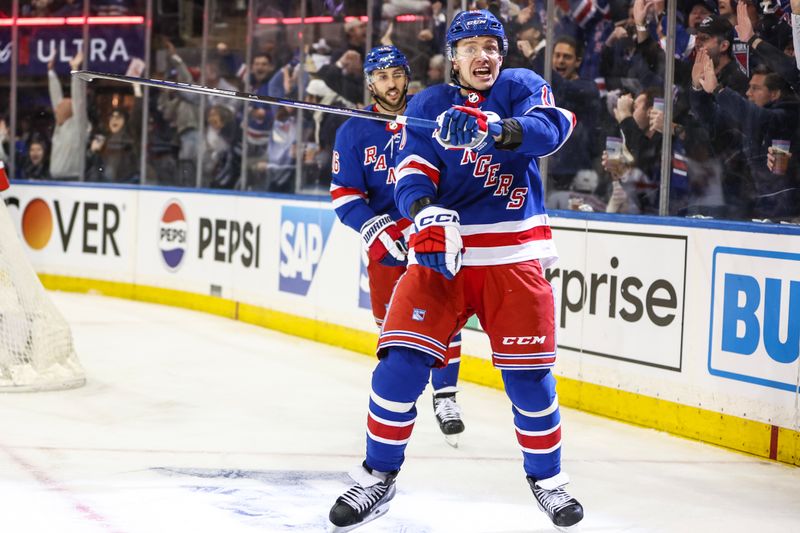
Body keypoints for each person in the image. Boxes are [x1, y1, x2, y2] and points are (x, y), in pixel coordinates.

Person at [328, 10, 583, 532]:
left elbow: (553, 128)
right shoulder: (428, 105)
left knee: (529, 379)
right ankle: (378, 475)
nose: (482, 55)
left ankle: (549, 482)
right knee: (398, 366)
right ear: (453, 57)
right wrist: (424, 210)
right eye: (470, 47)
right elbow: (411, 173)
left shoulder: (519, 86)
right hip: (441, 256)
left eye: (491, 45)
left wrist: (493, 128)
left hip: (511, 258)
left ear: (502, 52)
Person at [329, 45, 467, 449]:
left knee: (444, 316)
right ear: (370, 82)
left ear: (408, 76)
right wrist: (372, 224)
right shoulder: (353, 129)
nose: (391, 84)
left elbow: (454, 174)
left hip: (427, 226)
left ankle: (445, 397)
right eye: (382, 76)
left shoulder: (429, 116)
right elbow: (344, 194)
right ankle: (398, 399)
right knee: (392, 328)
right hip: (385, 240)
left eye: (397, 74)